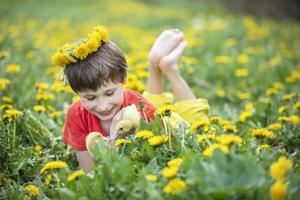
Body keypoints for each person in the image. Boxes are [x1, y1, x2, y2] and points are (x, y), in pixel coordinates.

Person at [54, 26, 209, 173]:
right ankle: (155, 65)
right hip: (141, 108)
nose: (102, 106)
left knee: (193, 129)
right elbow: (90, 172)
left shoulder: (141, 108)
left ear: (123, 79)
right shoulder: (76, 114)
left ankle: (169, 68)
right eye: (90, 97)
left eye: (109, 94)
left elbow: (176, 143)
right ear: (77, 92)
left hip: (153, 116)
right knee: (150, 104)